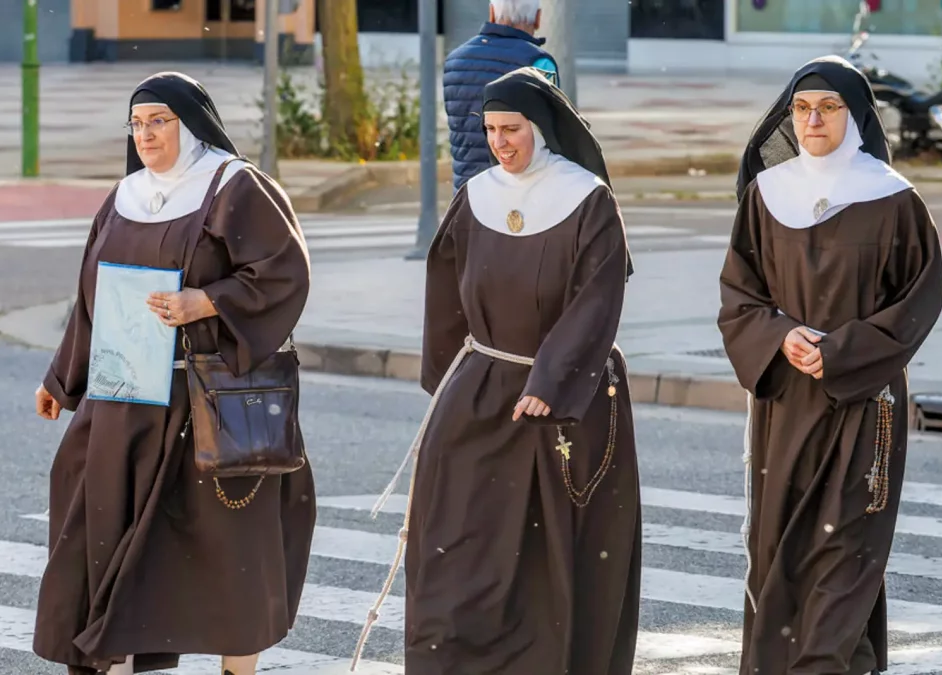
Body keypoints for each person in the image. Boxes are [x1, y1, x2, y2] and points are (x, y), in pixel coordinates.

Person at [351, 67, 640, 675]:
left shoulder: (586, 199)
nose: (500, 142)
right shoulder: (476, 194)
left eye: (512, 129)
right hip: (482, 393)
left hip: (563, 403)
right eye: (490, 130)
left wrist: (550, 382)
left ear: (540, 128)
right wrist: (451, 383)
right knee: (456, 548)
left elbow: (597, 298)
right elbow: (446, 296)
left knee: (549, 558)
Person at [31, 71, 315, 675]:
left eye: (157, 120)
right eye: (136, 123)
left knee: (227, 554)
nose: (144, 134)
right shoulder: (124, 196)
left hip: (204, 404)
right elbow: (93, 299)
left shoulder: (235, 188)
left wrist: (206, 302)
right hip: (125, 397)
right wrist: (62, 380)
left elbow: (283, 272)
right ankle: (119, 660)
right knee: (105, 535)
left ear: (189, 123)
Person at [718, 55, 942, 675]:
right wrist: (779, 336)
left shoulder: (893, 199)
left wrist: (840, 353)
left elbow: (918, 300)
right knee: (781, 556)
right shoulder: (767, 195)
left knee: (844, 552)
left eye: (828, 108)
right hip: (785, 407)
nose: (812, 120)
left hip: (863, 406)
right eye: (801, 108)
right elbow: (740, 293)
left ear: (856, 116)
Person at [443, 0, 560, 193]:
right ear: (538, 18)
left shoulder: (455, 60)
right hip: (522, 192)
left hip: (467, 194)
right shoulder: (538, 63)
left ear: (491, 13)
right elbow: (551, 133)